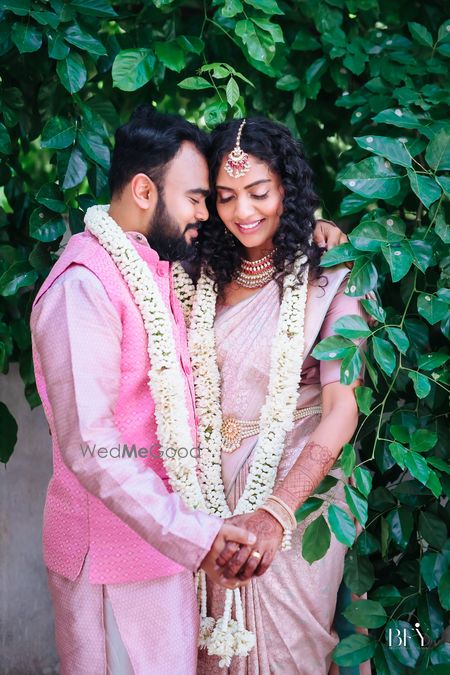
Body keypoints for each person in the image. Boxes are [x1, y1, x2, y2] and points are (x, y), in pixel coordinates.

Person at [30, 108, 344, 675]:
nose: (217, 214)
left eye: (250, 193)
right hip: (112, 554)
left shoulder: (166, 270)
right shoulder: (83, 285)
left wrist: (314, 232)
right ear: (146, 191)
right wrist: (196, 536)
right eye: (205, 198)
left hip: (172, 550)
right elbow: (93, 447)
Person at [183, 118, 365, 674]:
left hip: (302, 495)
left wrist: (277, 512)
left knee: (296, 648)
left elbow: (341, 406)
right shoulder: (195, 273)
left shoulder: (328, 274)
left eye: (259, 193)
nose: (243, 212)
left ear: (287, 188)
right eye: (226, 197)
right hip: (207, 495)